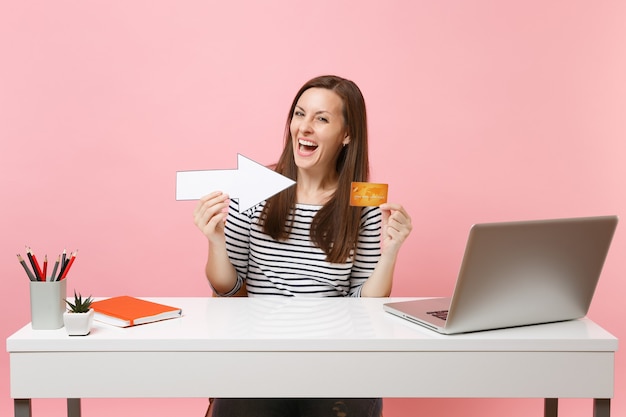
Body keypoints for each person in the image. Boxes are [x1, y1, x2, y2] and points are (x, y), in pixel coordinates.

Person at [193, 75, 412, 417]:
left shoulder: (362, 202)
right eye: (299, 114)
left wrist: (392, 250)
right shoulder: (254, 189)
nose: (304, 128)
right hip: (260, 360)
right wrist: (216, 241)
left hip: (335, 361)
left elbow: (364, 304)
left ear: (347, 134)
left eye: (321, 119)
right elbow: (228, 288)